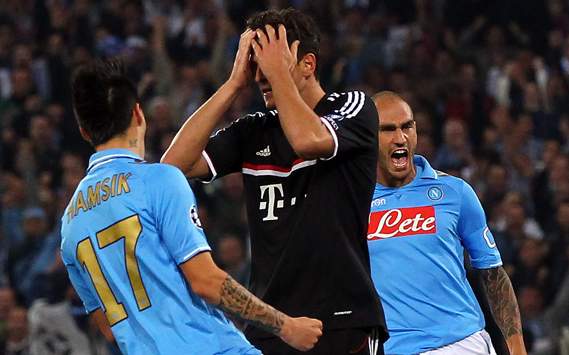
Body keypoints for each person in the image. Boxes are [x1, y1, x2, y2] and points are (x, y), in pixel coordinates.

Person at [162, 8, 387, 355]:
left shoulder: (353, 106)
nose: (260, 75)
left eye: (270, 61)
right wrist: (232, 84)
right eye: (255, 64)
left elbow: (308, 140)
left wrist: (279, 74)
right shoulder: (254, 129)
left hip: (341, 319)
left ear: (307, 64)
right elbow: (172, 168)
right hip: (272, 326)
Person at [60, 59, 322, 355]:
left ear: (84, 131)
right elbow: (206, 281)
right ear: (138, 113)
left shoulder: (70, 224)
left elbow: (109, 328)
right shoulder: (158, 180)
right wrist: (286, 326)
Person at [367, 91, 527, 355]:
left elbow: (492, 274)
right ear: (368, 136)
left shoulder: (455, 192)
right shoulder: (351, 203)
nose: (400, 138)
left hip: (461, 343)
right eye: (387, 129)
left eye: (407, 126)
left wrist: (517, 348)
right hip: (391, 348)